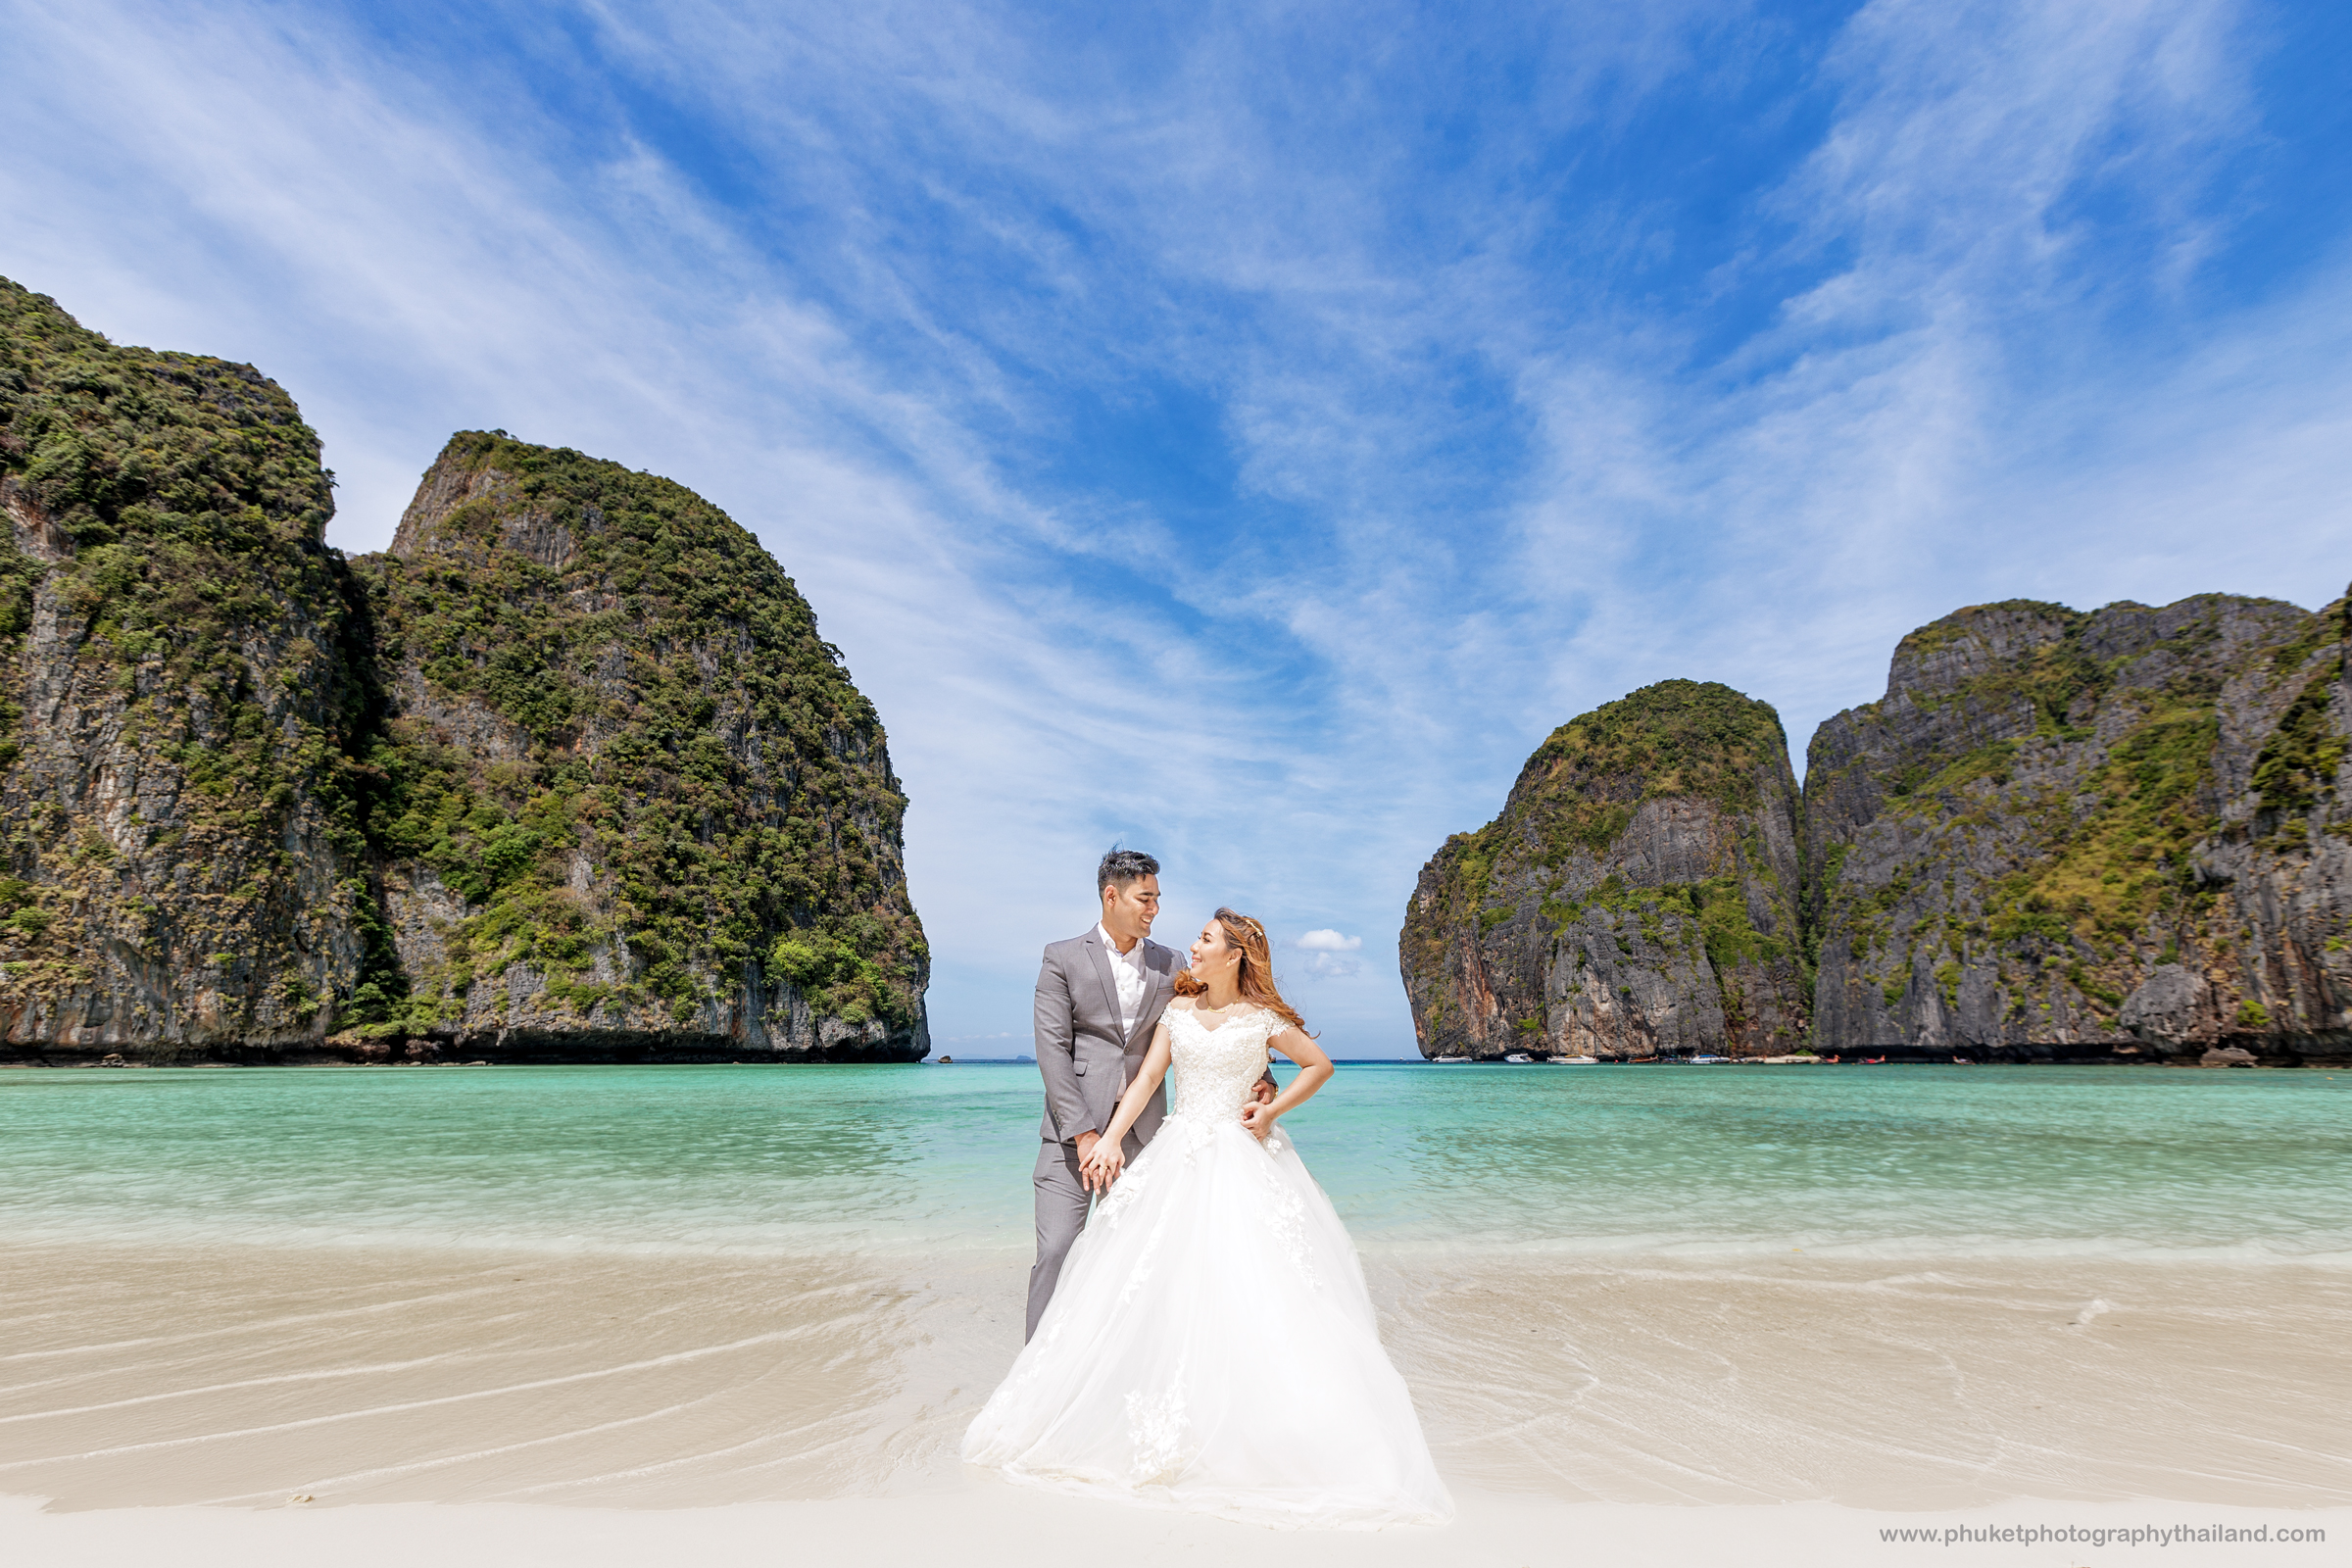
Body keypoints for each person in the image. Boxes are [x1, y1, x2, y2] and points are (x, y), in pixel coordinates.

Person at [963, 906, 1454, 1529]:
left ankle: (1253, 1422)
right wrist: (1111, 1138)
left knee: (1250, 1288)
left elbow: (1319, 1065)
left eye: (1205, 939)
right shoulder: (1179, 1009)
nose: (1191, 944)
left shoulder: (1263, 1021)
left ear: (1235, 955)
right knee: (1151, 1284)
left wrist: (1271, 1114)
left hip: (1241, 1159)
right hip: (1177, 1152)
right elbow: (1144, 1081)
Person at [1023, 849, 1272, 1340]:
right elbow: (1052, 1049)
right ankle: (1033, 1374)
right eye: (1145, 898)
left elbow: (1225, 1019)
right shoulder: (1062, 957)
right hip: (1070, 1139)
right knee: (1056, 1252)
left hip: (1145, 1142)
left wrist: (1263, 1076)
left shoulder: (1173, 963)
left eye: (1157, 898)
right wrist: (1085, 1135)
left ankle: (1119, 1366)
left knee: (1137, 1261)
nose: (1154, 908)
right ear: (1111, 896)